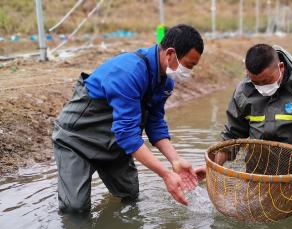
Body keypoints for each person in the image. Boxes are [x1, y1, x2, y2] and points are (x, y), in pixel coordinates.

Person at [53, 24, 203, 213]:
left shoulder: (165, 82)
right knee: (75, 209)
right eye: (188, 65)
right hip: (77, 141)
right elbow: (127, 134)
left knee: (130, 197)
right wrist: (165, 174)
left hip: (114, 143)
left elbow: (154, 123)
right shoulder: (128, 72)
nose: (188, 71)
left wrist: (175, 160)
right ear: (170, 54)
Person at [195, 43, 292, 179]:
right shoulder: (244, 90)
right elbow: (233, 135)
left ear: (281, 67)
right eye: (256, 82)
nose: (261, 87)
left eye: (266, 81)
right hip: (258, 178)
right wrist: (211, 168)